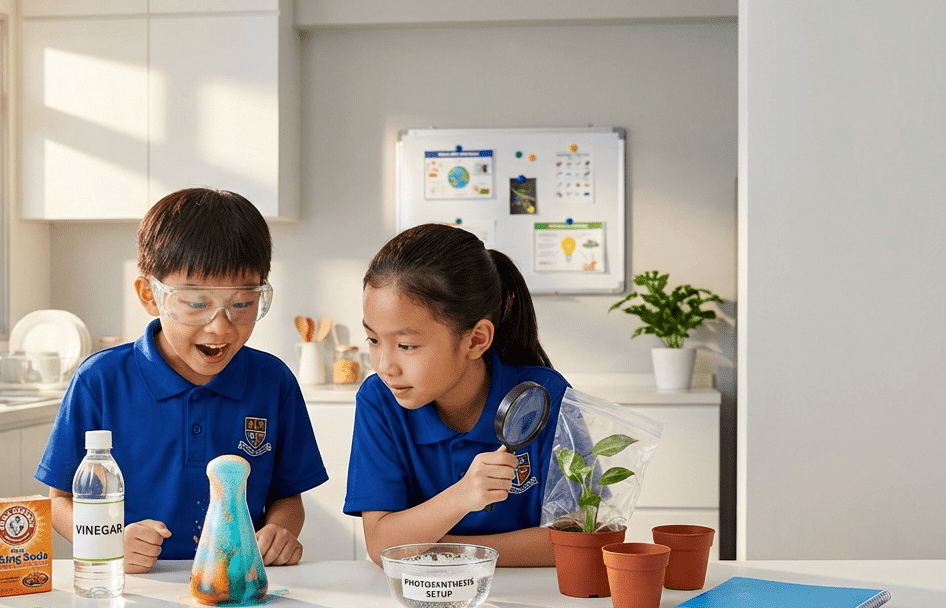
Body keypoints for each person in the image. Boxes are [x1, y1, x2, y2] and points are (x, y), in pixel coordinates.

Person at [35, 187, 328, 572]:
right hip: (137, 588)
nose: (220, 326)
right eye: (195, 303)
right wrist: (107, 539)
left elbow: (288, 497)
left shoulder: (273, 382)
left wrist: (279, 531)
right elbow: (59, 501)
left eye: (242, 303)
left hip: (236, 582)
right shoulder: (100, 381)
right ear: (150, 296)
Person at [344, 223, 570, 566]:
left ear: (476, 340)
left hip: (533, 602)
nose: (384, 366)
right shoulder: (379, 400)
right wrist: (463, 496)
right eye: (373, 340)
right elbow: (380, 546)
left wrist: (431, 545)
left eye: (406, 345)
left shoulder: (546, 396)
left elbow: (577, 540)